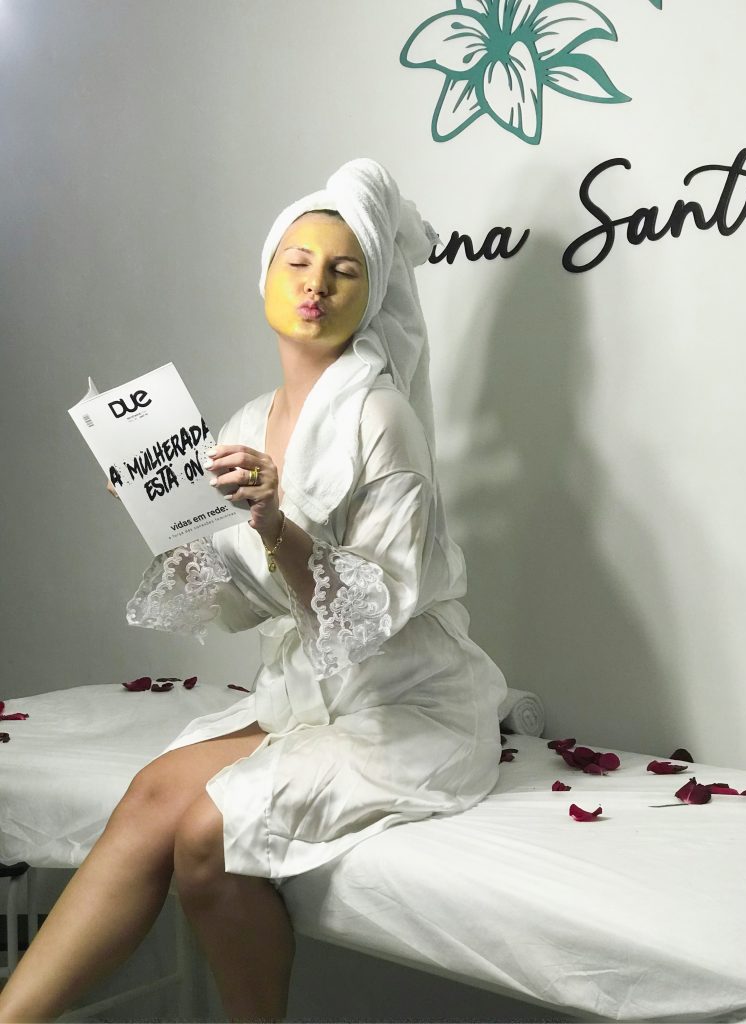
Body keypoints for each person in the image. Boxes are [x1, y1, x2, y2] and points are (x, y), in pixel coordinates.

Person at [0, 158, 508, 1024]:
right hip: (309, 699)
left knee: (208, 834)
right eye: (298, 263)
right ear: (265, 277)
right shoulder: (246, 424)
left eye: (344, 271)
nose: (317, 285)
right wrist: (163, 513)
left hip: (405, 708)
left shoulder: (381, 417)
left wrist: (274, 521)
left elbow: (371, 618)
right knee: (155, 795)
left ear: (370, 294)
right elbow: (237, 599)